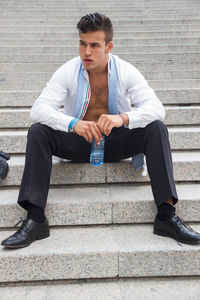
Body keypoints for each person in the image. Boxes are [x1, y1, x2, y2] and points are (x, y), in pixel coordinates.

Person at [1, 13, 200, 249]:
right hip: (79, 142)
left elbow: (157, 109)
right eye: (82, 43)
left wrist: (123, 118)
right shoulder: (68, 70)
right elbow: (38, 109)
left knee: (156, 128)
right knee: (38, 131)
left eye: (94, 45)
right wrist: (73, 124)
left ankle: (166, 215)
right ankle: (35, 218)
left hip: (117, 143)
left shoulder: (126, 70)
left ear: (109, 46)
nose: (87, 52)